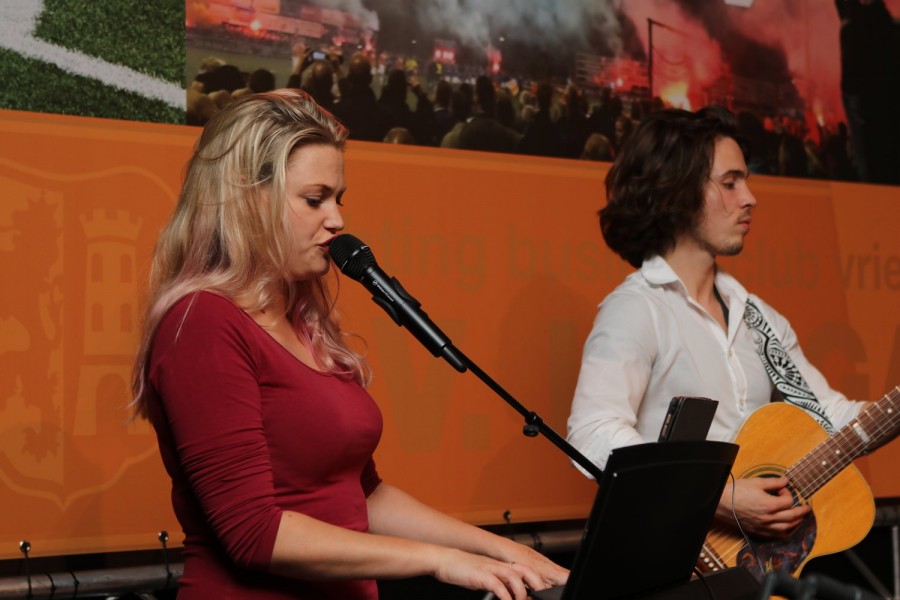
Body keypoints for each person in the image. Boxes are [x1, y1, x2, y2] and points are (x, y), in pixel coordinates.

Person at [130, 89, 568, 599]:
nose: (337, 219)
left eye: (338, 199)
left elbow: (362, 496)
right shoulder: (202, 323)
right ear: (249, 200)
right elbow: (255, 533)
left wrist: (501, 550)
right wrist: (441, 561)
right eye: (314, 199)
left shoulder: (302, 323)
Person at [566, 106, 872, 541]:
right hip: (667, 557)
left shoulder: (758, 317)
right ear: (677, 191)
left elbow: (829, 417)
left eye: (745, 181)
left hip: (748, 563)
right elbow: (592, 432)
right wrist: (717, 495)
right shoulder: (637, 308)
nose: (750, 198)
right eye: (730, 183)